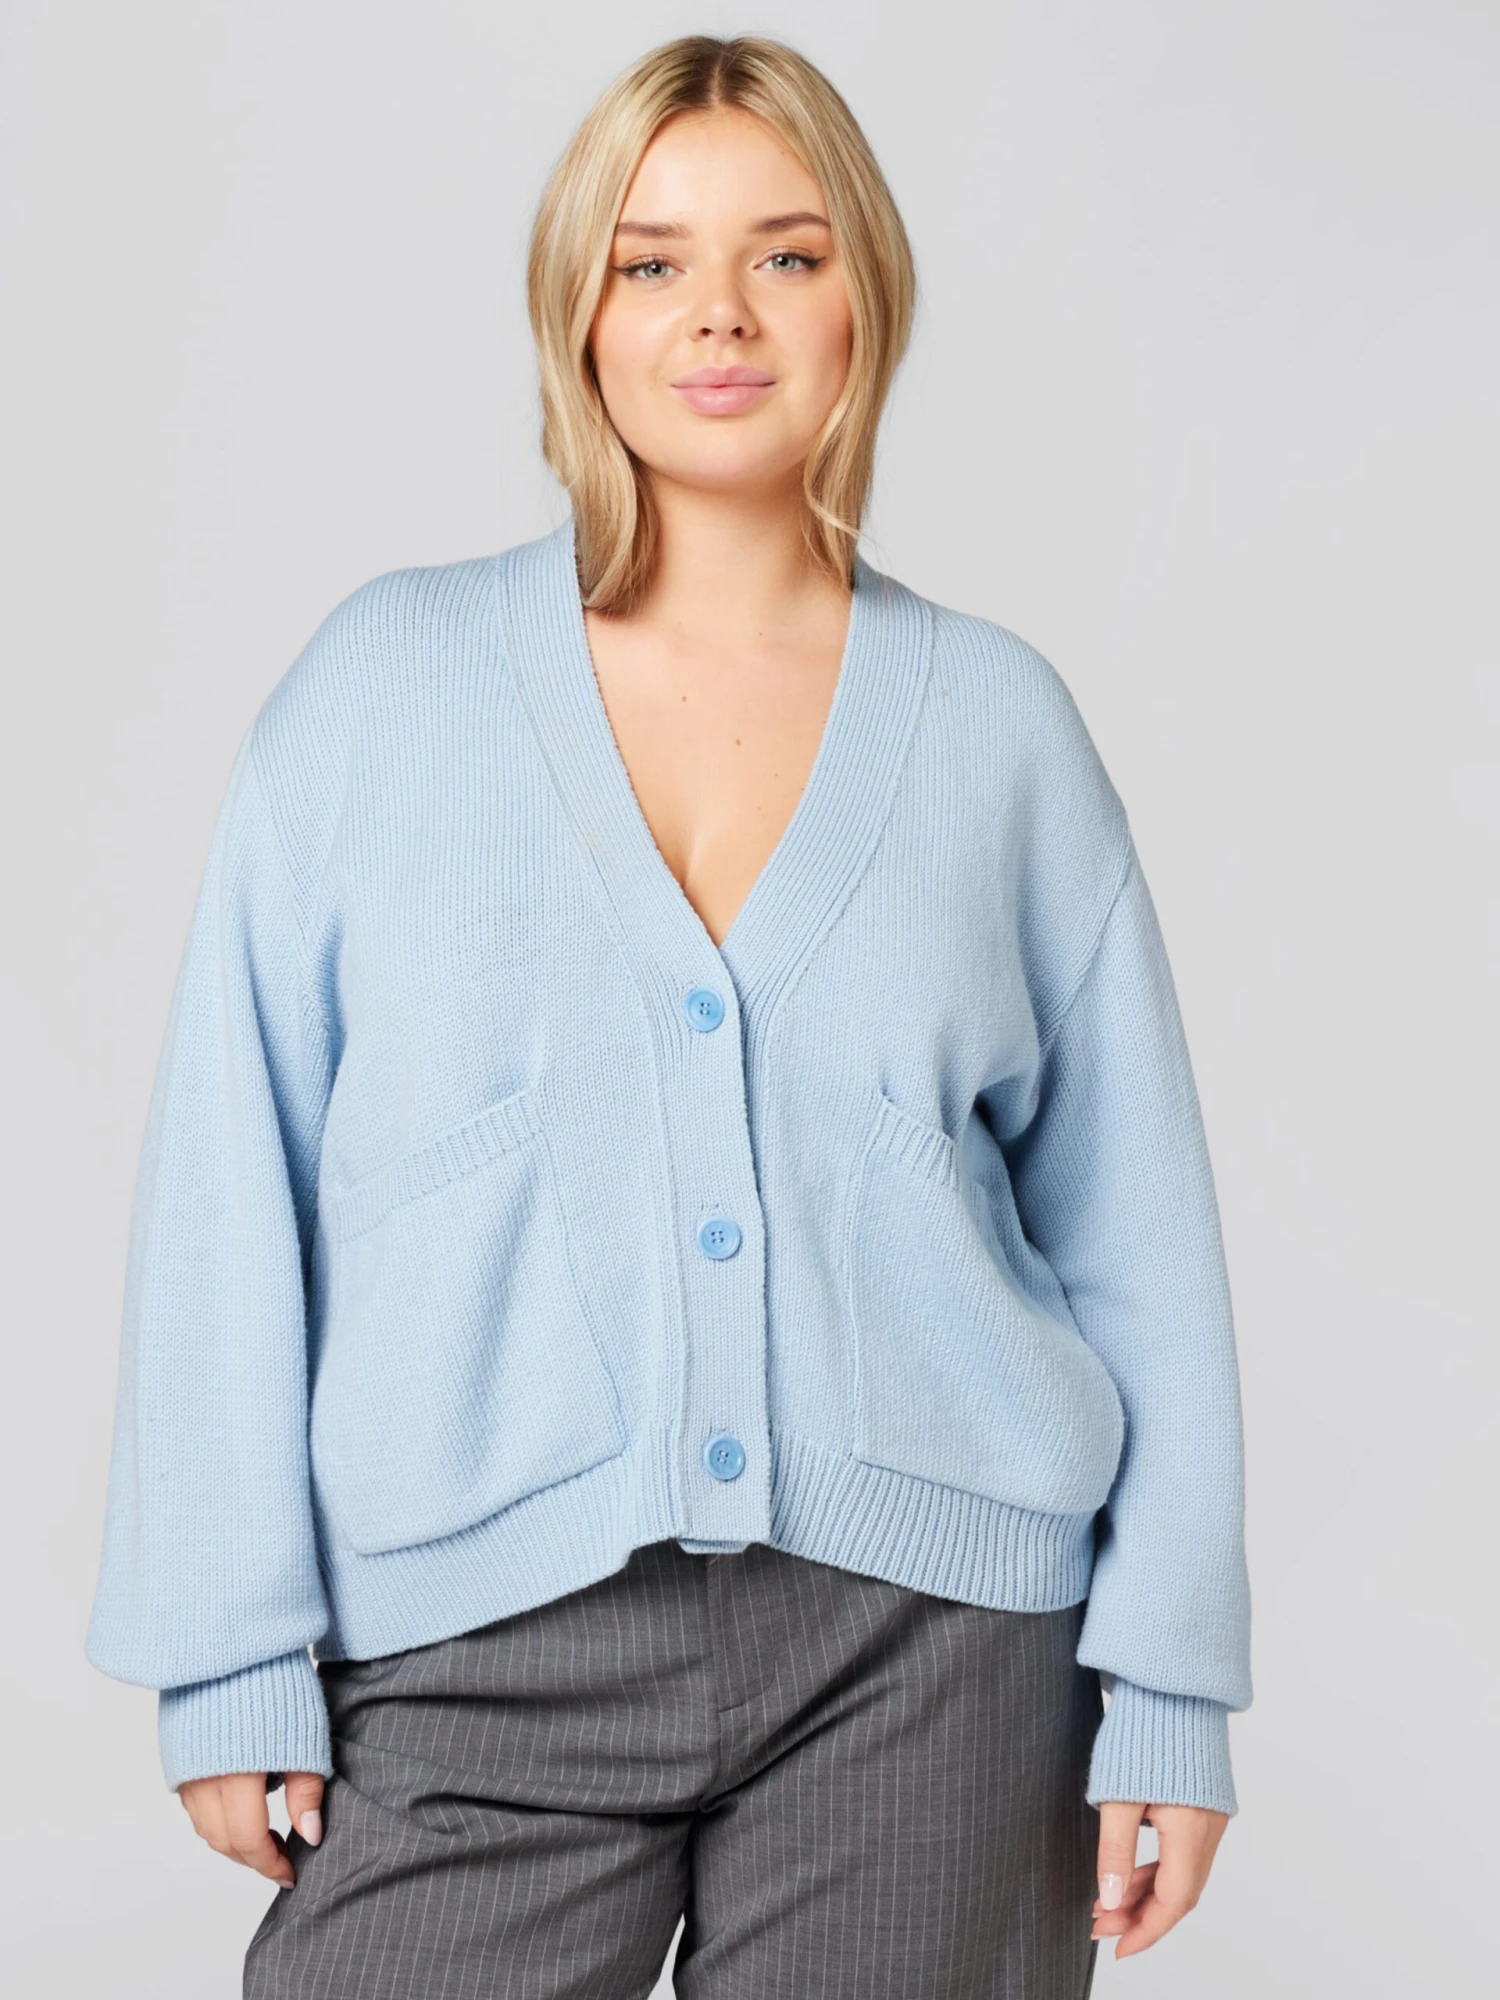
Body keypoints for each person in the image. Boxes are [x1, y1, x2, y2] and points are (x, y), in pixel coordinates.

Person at [84, 32, 1252, 1998]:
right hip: (470, 1639)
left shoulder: (998, 729)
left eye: (787, 255)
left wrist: (1172, 1682)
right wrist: (226, 1640)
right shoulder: (381, 691)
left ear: (866, 298)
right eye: (653, 261)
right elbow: (227, 1175)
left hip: (935, 1649)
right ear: (579, 308)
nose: (721, 312)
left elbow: (1139, 1235)